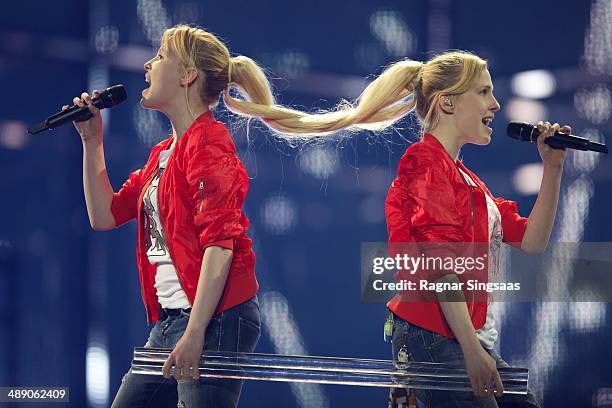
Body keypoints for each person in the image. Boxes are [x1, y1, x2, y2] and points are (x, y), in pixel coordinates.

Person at [224, 51, 568, 407]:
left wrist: (553, 169)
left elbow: (533, 240)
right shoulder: (426, 163)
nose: (495, 104)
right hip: (438, 333)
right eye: (483, 92)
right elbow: (441, 269)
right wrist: (471, 350)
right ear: (447, 102)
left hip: (466, 335)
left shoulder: (466, 180)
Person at [65, 24, 281, 407]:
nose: (148, 65)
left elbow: (220, 243)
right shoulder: (164, 154)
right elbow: (105, 215)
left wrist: (196, 331)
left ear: (187, 75)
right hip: (170, 321)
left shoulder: (209, 144)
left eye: (160, 56)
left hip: (215, 318)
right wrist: (91, 141)